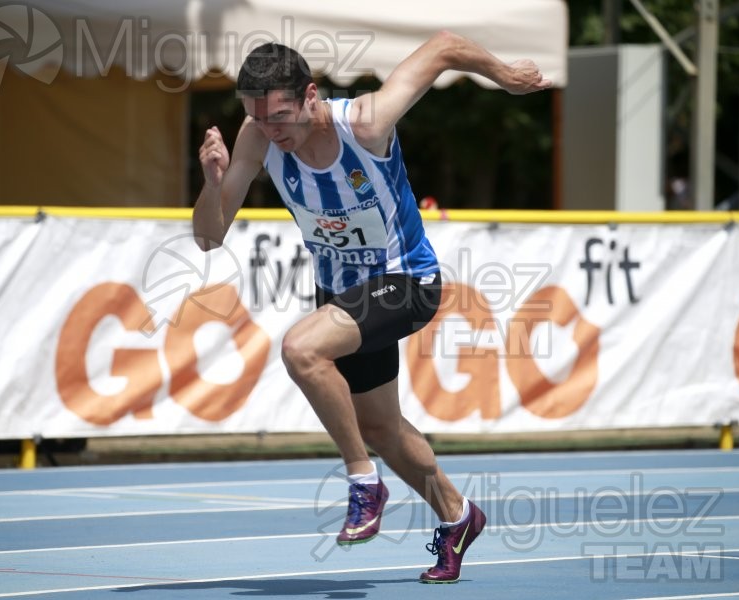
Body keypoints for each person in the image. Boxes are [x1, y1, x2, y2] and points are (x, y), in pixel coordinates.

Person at [193, 31, 551, 583]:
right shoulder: (257, 139)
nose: (272, 131)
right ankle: (457, 516)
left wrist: (504, 75)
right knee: (383, 428)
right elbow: (209, 238)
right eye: (259, 119)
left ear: (311, 95)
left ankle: (363, 482)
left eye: (281, 117)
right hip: (343, 295)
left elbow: (445, 47)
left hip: (406, 282)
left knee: (300, 349)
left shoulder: (365, 122)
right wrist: (213, 183)